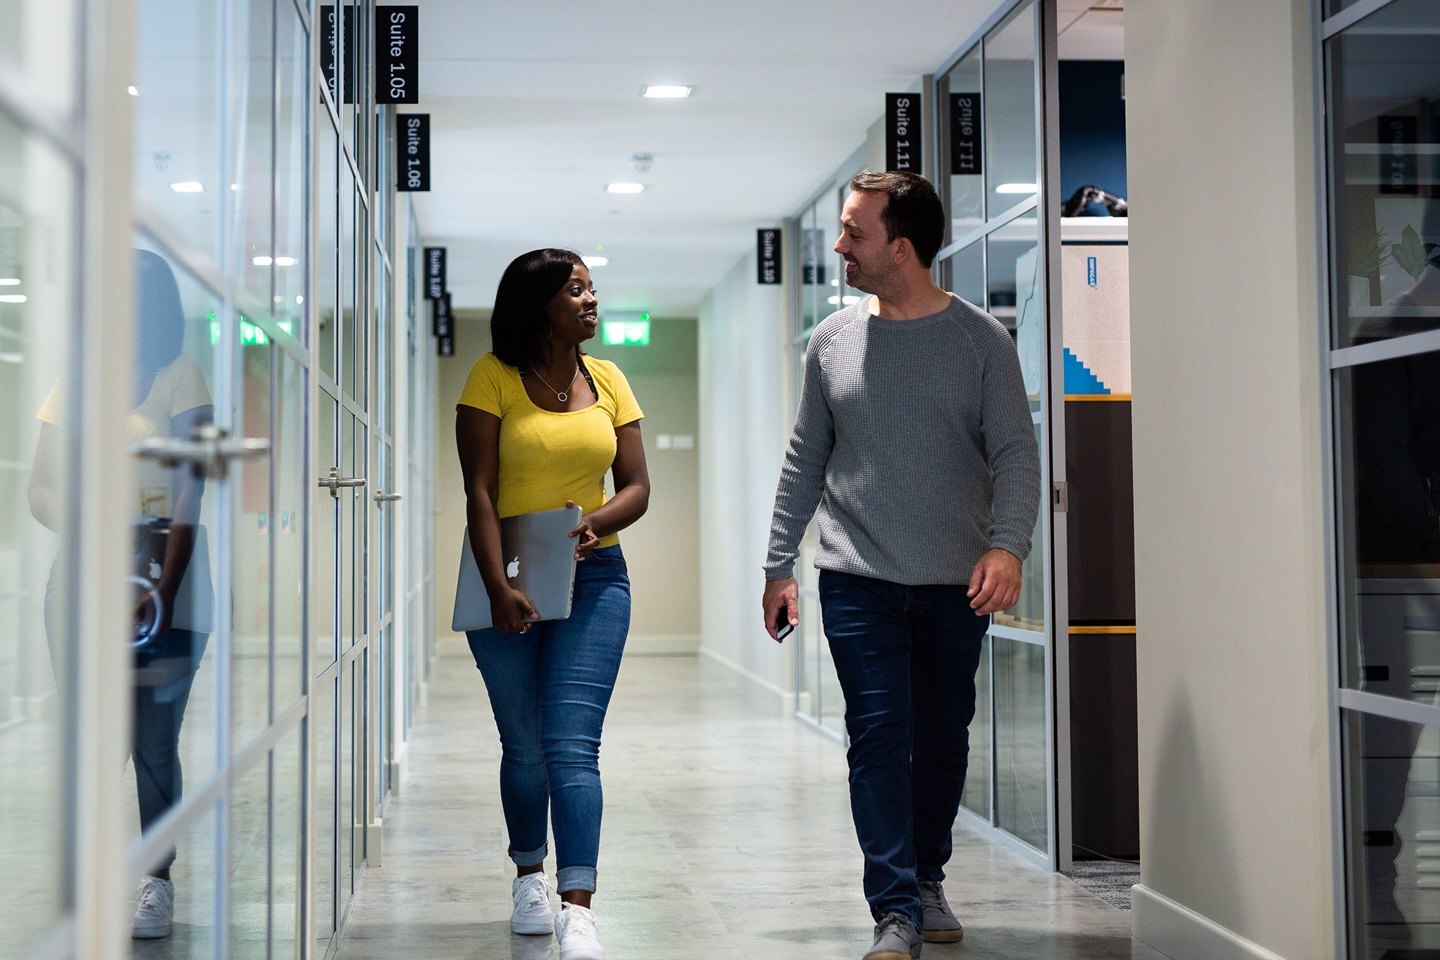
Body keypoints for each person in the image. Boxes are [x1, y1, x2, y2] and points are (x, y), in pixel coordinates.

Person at [761, 172, 1040, 960]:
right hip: (857, 577)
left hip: (957, 579)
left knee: (943, 734)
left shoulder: (980, 340)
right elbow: (803, 459)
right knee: (879, 735)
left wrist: (1007, 544)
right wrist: (779, 563)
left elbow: (1017, 454)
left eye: (855, 232)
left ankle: (925, 874)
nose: (842, 245)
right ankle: (894, 908)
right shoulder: (832, 341)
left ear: (903, 248)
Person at [455, 248, 649, 960]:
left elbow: (635, 485)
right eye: (576, 290)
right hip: (502, 571)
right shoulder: (492, 377)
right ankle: (528, 874)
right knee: (525, 745)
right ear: (538, 304)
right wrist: (500, 586)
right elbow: (478, 489)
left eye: (593, 289)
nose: (591, 301)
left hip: (595, 576)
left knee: (573, 746)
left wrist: (594, 524)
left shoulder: (609, 379)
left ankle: (578, 906)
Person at [29, 249, 214, 939]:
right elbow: (41, 486)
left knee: (155, 742)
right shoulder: (75, 381)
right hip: (86, 576)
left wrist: (161, 584)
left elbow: (193, 490)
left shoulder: (181, 375)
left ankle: (155, 880)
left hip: (168, 576)